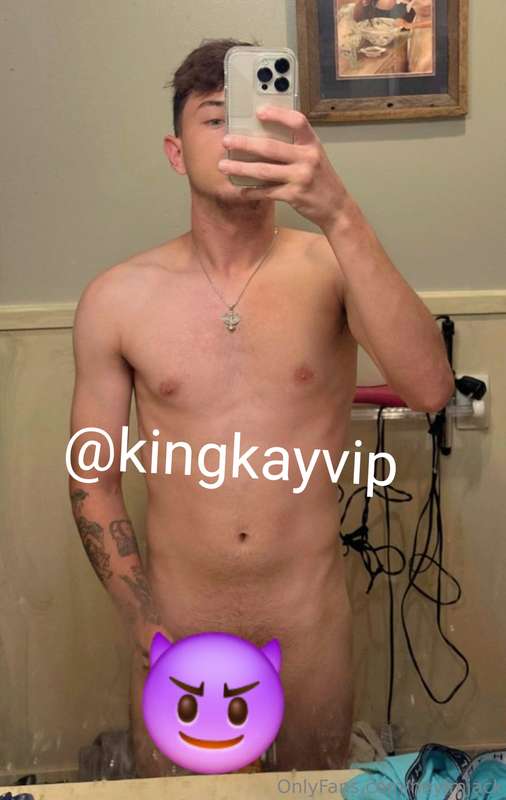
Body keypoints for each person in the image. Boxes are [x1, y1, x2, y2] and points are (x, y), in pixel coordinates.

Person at [68, 37, 454, 777]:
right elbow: (93, 480)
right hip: (178, 634)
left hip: (308, 633)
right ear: (176, 153)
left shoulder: (332, 267)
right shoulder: (117, 298)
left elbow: (430, 388)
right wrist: (143, 623)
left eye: (253, 115)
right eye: (215, 119)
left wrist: (340, 213)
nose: (237, 135)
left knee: (312, 791)